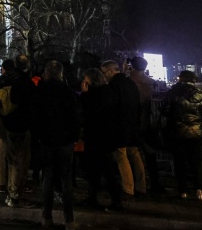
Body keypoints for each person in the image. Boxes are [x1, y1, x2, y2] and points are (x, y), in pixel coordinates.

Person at [33, 61, 80, 230]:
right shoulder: (67, 92)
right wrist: (74, 137)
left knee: (48, 177)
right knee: (66, 179)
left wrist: (38, 136)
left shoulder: (40, 91)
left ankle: (47, 216)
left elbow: (35, 116)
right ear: (61, 74)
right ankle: (69, 219)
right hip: (65, 140)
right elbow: (75, 117)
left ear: (46, 72)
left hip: (46, 139)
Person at [101, 60, 146, 199]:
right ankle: (141, 186)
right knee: (135, 155)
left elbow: (111, 108)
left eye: (103, 73)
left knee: (121, 156)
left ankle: (128, 188)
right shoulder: (131, 84)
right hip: (133, 125)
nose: (103, 76)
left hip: (120, 126)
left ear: (110, 71)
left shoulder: (113, 86)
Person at [79, 68, 123, 211]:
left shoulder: (96, 95)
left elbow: (88, 113)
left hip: (98, 137)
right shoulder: (107, 92)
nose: (83, 82)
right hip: (104, 137)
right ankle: (95, 198)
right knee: (98, 170)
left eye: (86, 79)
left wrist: (84, 96)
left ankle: (114, 200)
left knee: (104, 171)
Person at [163, 70, 202, 200]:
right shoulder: (201, 94)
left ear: (180, 79)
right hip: (196, 133)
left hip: (178, 132)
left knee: (180, 161)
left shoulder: (173, 93)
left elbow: (165, 111)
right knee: (197, 162)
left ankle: (183, 190)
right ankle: (200, 190)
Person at [2, 54, 36, 208]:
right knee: (20, 162)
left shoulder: (8, 79)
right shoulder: (25, 82)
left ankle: (11, 193)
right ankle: (15, 195)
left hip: (9, 123)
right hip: (21, 125)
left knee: (11, 161)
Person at [128, 56, 164, 193]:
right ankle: (155, 182)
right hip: (149, 122)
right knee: (150, 155)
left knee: (132, 155)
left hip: (132, 122)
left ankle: (135, 184)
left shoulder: (129, 81)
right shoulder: (152, 83)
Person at [0, 59, 15, 193]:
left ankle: (1, 182)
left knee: (1, 153)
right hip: (16, 122)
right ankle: (14, 182)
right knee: (15, 154)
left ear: (3, 69)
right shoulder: (19, 80)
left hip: (1, 121)